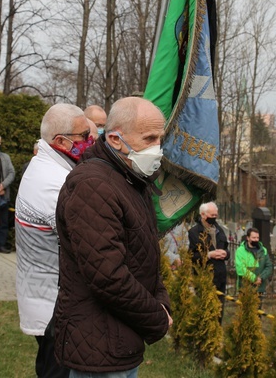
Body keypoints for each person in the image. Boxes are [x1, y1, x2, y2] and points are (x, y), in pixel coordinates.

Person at [54, 97, 172, 378]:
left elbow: (143, 256)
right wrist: (156, 317)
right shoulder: (92, 185)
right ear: (116, 139)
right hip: (99, 345)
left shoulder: (129, 177)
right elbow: (108, 276)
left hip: (120, 338)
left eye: (160, 138)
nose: (157, 147)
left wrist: (161, 301)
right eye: (149, 138)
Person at [15, 104, 93, 378]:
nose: (91, 140)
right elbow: (88, 241)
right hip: (53, 308)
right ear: (61, 141)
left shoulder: (52, 166)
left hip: (49, 300)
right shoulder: (54, 182)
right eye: (85, 135)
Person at [188, 202, 230, 321]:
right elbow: (191, 256)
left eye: (216, 215)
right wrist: (208, 255)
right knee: (205, 313)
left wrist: (226, 254)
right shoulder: (194, 233)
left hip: (220, 276)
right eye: (212, 215)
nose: (214, 218)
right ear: (203, 215)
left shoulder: (219, 230)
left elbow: (226, 248)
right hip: (204, 277)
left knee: (218, 313)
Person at [235, 227, 273, 294]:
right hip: (244, 288)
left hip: (259, 288)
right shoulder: (240, 250)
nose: (256, 240)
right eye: (253, 238)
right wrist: (254, 279)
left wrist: (261, 278)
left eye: (257, 238)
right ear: (248, 238)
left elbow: (269, 266)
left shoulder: (263, 250)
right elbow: (240, 268)